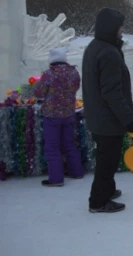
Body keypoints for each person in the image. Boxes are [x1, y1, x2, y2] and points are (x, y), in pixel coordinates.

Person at [82, 8, 133, 213]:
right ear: (112, 28)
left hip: (97, 115)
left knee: (106, 157)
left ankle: (108, 189)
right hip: (107, 118)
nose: (122, 30)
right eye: (120, 26)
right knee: (107, 161)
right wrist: (129, 120)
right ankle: (98, 201)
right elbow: (112, 93)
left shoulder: (95, 47)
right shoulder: (109, 53)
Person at [33, 47, 83, 187]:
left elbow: (38, 92)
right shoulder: (74, 72)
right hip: (68, 113)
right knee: (69, 144)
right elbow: (75, 88)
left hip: (52, 114)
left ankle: (56, 179)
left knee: (52, 147)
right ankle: (76, 172)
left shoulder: (49, 74)